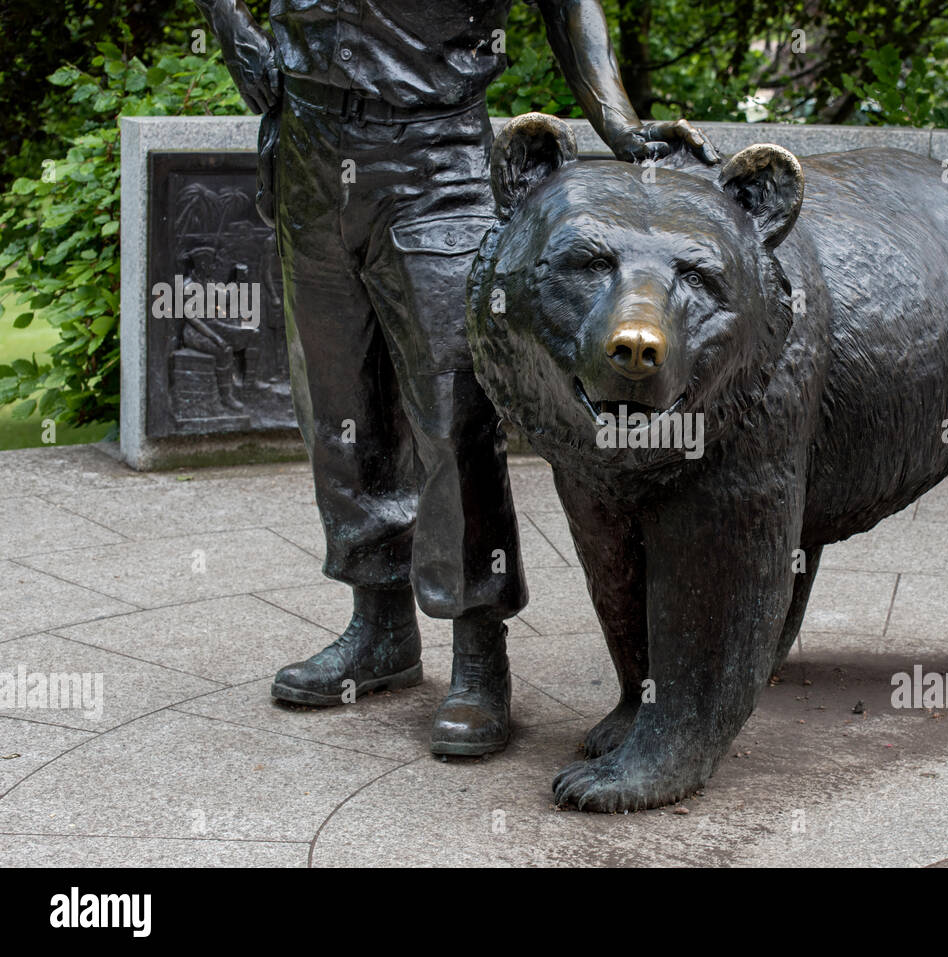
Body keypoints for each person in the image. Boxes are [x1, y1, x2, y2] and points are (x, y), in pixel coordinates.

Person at [193, 0, 718, 755]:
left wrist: (618, 122)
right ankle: (379, 628)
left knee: (453, 411)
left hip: (432, 152)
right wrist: (230, 27)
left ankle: (478, 656)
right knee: (339, 404)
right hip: (306, 140)